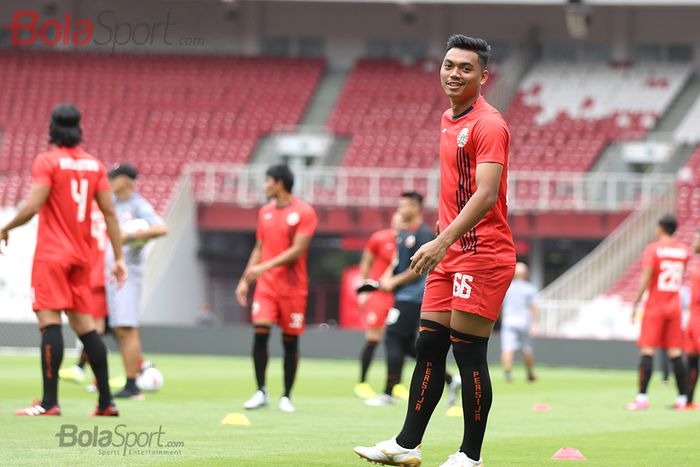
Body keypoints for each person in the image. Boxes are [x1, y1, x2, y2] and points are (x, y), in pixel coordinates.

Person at [355, 35, 515, 467]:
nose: (454, 73)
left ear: (483, 76)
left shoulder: (489, 124)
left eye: (465, 67)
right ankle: (406, 445)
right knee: (428, 346)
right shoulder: (448, 118)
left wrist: (440, 240)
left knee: (468, 352)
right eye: (448, 65)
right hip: (451, 252)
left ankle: (470, 455)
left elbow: (485, 195)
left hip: (482, 254)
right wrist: (445, 238)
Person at [1, 103, 127, 416]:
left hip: (53, 255)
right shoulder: (95, 165)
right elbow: (110, 212)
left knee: (50, 323)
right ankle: (106, 402)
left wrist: (5, 227)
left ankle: (49, 402)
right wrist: (119, 257)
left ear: (52, 129)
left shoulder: (47, 161)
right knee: (86, 327)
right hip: (83, 257)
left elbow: (33, 205)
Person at [364, 193, 461, 408]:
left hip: (414, 297)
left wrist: (395, 280)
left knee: (392, 337)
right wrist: (386, 281)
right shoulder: (404, 234)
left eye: (404, 206)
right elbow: (399, 264)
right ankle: (450, 379)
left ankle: (389, 391)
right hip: (403, 295)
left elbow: (420, 267)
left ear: (416, 208)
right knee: (409, 346)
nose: (399, 210)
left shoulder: (424, 234)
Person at [236, 164, 317, 413]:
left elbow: (297, 251)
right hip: (267, 287)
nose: (264, 186)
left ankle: (286, 395)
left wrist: (264, 267)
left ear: (279, 183)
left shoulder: (305, 212)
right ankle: (261, 391)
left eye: (267, 181)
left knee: (290, 341)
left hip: (293, 288)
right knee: (260, 332)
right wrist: (245, 278)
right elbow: (259, 247)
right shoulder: (265, 212)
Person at [106, 163, 168, 399]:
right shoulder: (111, 202)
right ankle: (130, 379)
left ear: (127, 180)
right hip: (111, 274)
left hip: (128, 274)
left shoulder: (138, 205)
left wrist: (130, 236)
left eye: (115, 177)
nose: (111, 180)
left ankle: (133, 384)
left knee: (127, 327)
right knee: (120, 329)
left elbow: (161, 228)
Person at [627, 215, 688, 411]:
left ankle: (642, 398)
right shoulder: (683, 251)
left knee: (647, 350)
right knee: (675, 353)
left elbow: (646, 278)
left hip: (655, 304)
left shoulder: (653, 249)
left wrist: (635, 303)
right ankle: (682, 399)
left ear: (661, 228)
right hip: (674, 305)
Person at [58, 205, 110, 387]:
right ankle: (88, 373)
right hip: (101, 274)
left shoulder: (87, 210)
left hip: (91, 273)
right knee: (97, 327)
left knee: (94, 329)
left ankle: (87, 373)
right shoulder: (107, 211)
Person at [354, 212, 402, 400]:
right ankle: (362, 383)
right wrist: (364, 288)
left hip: (398, 295)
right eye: (397, 220)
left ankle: (396, 384)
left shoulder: (409, 241)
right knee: (373, 337)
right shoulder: (379, 238)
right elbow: (366, 261)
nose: (399, 223)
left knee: (399, 340)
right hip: (378, 294)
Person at [500, 262, 538, 383]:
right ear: (525, 274)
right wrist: (535, 323)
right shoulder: (530, 288)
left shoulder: (507, 287)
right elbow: (533, 307)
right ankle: (530, 373)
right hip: (524, 322)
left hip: (508, 321)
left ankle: (507, 374)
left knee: (507, 348)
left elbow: (500, 305)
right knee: (527, 349)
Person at [684, 229, 700, 410]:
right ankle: (688, 400)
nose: (693, 242)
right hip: (693, 319)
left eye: (696, 239)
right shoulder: (696, 265)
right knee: (691, 359)